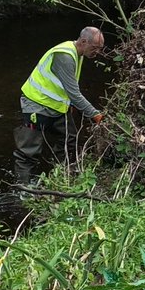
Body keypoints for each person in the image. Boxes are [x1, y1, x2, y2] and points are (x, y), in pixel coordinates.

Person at [13, 27, 106, 183]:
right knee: (28, 152)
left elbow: (67, 87)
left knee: (69, 139)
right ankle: (24, 189)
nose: (97, 52)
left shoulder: (79, 53)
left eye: (100, 49)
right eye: (95, 48)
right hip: (37, 104)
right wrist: (96, 115)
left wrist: (70, 103)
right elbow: (74, 93)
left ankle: (59, 177)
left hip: (56, 107)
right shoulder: (64, 56)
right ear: (83, 42)